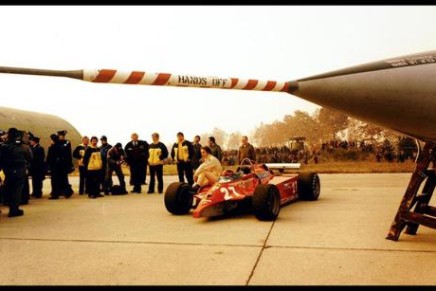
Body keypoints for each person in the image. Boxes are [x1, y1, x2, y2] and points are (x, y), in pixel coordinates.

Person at [0, 128, 32, 217]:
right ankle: (14, 210)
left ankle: (11, 207)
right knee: (17, 191)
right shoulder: (22, 146)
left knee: (9, 189)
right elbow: (30, 157)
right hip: (19, 171)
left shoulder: (4, 146)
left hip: (8, 171)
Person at [57, 130, 74, 197]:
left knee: (64, 178)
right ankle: (60, 191)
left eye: (62, 136)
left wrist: (70, 164)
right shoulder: (57, 142)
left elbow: (69, 153)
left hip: (64, 163)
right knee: (59, 178)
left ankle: (67, 191)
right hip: (59, 163)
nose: (61, 137)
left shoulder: (67, 142)